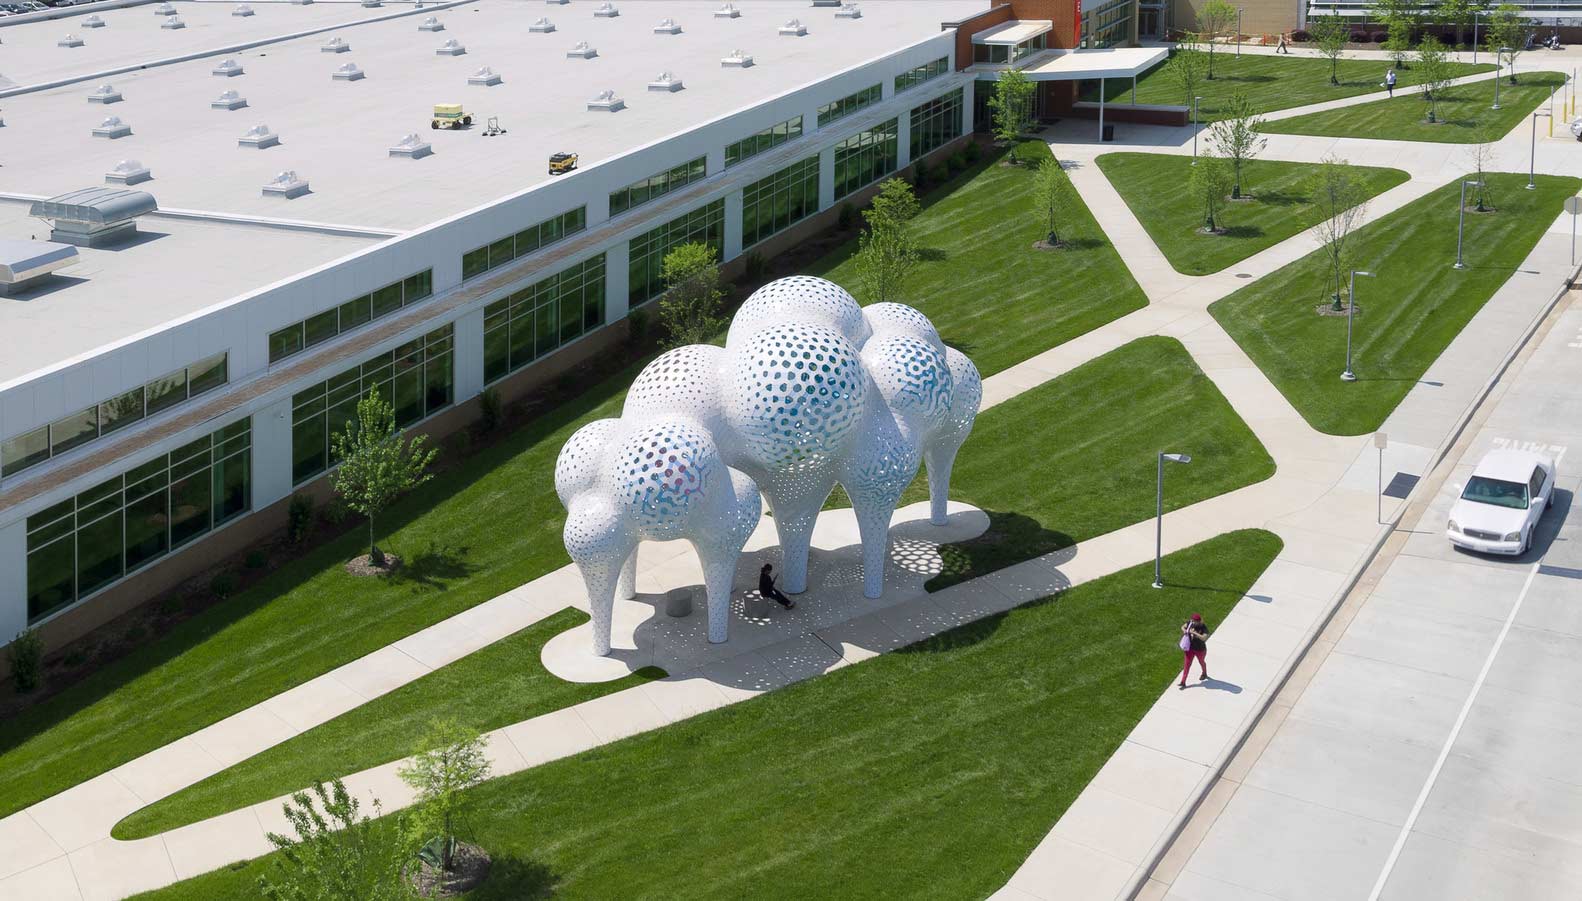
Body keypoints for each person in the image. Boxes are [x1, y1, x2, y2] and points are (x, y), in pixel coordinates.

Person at [1178, 613, 1209, 689]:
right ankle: (1183, 681)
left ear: (1198, 621)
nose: (1192, 622)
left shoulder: (1203, 627)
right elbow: (1183, 627)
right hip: (1190, 649)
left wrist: (1194, 633)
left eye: (1194, 621)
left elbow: (1204, 638)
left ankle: (1204, 673)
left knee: (1201, 662)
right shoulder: (1190, 623)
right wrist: (1184, 630)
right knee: (1187, 665)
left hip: (1200, 649)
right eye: (1192, 620)